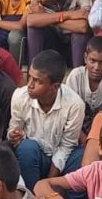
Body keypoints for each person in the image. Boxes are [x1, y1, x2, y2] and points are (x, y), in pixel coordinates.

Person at [8, 50, 85, 187]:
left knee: (81, 156)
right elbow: (14, 129)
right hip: (32, 157)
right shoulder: (20, 96)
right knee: (27, 148)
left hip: (61, 161)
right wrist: (15, 136)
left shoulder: (74, 105)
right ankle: (31, 194)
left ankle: (65, 197)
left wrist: (47, 182)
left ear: (54, 87)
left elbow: (67, 146)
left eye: (37, 81)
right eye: (29, 77)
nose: (30, 85)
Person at [25, 0, 92, 68]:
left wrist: (45, 16)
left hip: (74, 46)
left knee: (80, 35)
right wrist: (67, 15)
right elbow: (30, 21)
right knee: (34, 28)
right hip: (52, 43)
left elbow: (82, 26)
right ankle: (34, 71)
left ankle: (77, 75)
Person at [64, 36, 102, 142]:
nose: (96, 67)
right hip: (77, 127)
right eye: (92, 61)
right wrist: (83, 139)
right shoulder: (76, 76)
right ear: (85, 58)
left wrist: (97, 140)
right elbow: (68, 114)